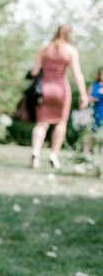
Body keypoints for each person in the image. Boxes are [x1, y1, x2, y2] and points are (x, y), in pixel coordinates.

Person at [28, 25, 88, 169]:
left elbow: (34, 72)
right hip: (61, 89)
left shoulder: (44, 49)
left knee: (41, 123)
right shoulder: (71, 51)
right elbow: (77, 74)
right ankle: (53, 155)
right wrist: (83, 94)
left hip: (44, 89)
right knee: (61, 122)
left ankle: (35, 152)